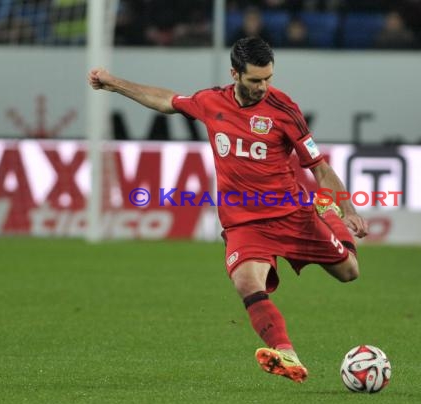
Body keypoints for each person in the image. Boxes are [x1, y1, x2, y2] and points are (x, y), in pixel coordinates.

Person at [88, 36, 367, 384]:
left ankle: (325, 216)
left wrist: (346, 209)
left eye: (268, 78)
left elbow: (320, 168)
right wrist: (115, 84)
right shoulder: (210, 102)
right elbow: (165, 101)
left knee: (349, 272)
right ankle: (287, 354)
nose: (264, 87)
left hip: (292, 215)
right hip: (244, 224)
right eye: (255, 80)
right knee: (246, 282)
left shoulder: (284, 110)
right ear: (234, 73)